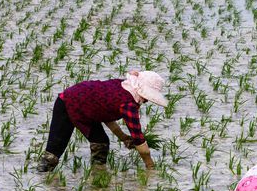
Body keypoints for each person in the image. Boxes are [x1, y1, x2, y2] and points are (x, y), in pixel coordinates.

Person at [37, 70, 166, 171]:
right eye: (148, 96)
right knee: (54, 151)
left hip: (87, 109)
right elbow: (138, 138)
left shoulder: (123, 86)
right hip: (66, 102)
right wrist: (150, 167)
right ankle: (41, 178)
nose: (147, 100)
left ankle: (97, 176)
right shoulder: (128, 104)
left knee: (101, 143)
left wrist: (123, 138)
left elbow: (105, 114)